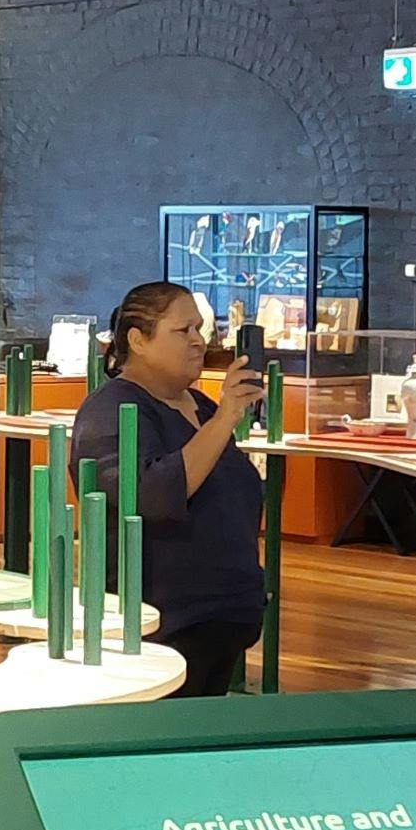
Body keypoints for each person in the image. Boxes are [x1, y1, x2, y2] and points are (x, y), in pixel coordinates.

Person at [70, 282, 266, 696]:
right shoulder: (111, 411)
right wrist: (225, 419)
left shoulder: (204, 407)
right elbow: (150, 496)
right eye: (183, 331)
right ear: (138, 340)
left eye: (200, 328)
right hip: (166, 623)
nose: (199, 341)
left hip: (224, 615)